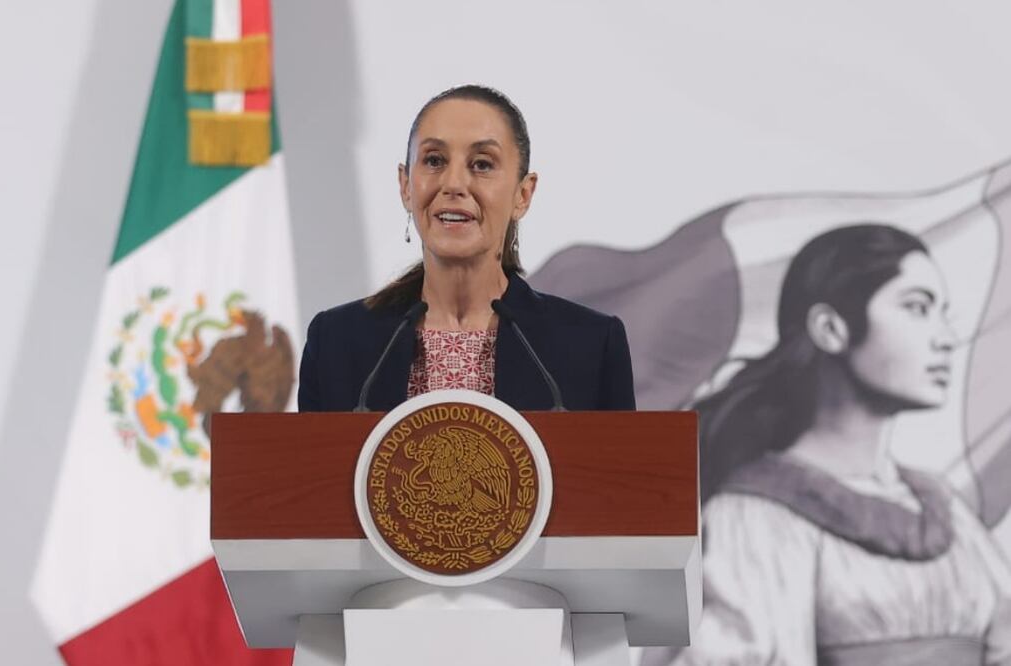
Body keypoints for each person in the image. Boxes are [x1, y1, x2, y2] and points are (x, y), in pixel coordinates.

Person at [655, 224, 1011, 665]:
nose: (945, 338)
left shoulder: (944, 509)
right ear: (830, 328)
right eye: (917, 308)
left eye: (943, 312)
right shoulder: (758, 517)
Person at [297, 85, 635, 412]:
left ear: (523, 195)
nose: (454, 184)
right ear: (405, 186)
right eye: (434, 160)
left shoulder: (590, 345)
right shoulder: (335, 343)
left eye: (482, 164)